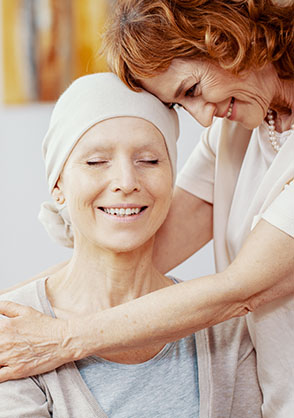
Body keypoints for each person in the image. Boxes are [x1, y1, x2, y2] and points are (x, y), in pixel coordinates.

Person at [0, 0, 293, 416]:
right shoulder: (237, 129)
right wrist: (16, 305)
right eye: (181, 103)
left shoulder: (225, 340)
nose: (203, 119)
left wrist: (62, 339)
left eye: (192, 89)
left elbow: (241, 290)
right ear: (57, 184)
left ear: (226, 37)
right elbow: (137, 247)